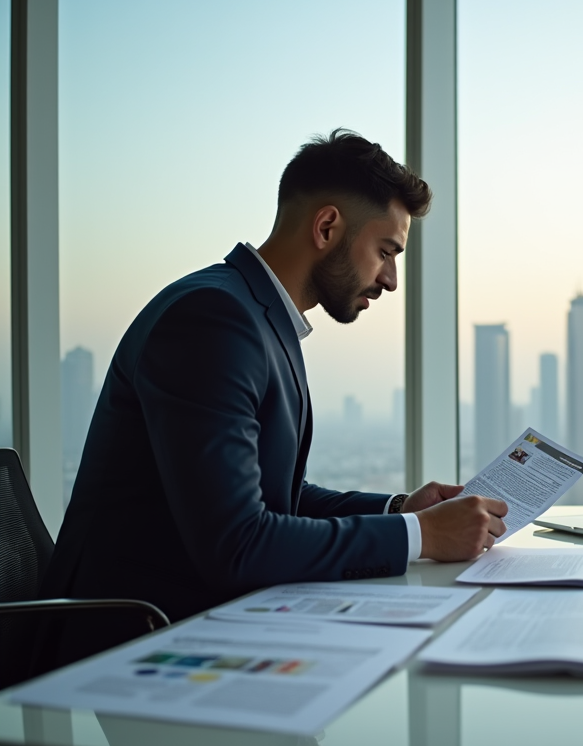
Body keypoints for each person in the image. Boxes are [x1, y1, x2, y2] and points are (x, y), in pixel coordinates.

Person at [35, 129, 507, 672]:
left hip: (195, 627)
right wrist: (422, 535)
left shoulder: (257, 318)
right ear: (328, 226)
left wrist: (399, 510)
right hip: (129, 648)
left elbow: (277, 494)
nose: (391, 280)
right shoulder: (213, 320)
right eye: (386, 251)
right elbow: (239, 544)